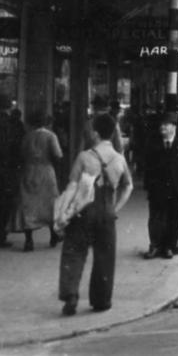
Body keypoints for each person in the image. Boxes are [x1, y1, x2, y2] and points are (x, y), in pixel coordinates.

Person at [57, 112, 132, 316]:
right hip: (107, 212)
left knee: (74, 251)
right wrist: (115, 208)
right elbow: (128, 186)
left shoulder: (84, 157)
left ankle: (71, 295)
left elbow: (72, 186)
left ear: (96, 133)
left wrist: (64, 212)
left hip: (84, 211)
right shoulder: (119, 159)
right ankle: (101, 301)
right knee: (105, 258)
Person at [9, 109, 62, 251]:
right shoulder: (51, 136)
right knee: (50, 203)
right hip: (46, 171)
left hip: (29, 171)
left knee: (28, 204)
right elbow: (58, 155)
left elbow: (21, 153)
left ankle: (29, 241)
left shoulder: (27, 137)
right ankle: (53, 235)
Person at [142, 111, 178, 259]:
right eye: (161, 125)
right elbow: (148, 168)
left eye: (166, 125)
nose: (162, 127)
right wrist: (148, 187)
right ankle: (154, 246)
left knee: (175, 218)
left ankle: (169, 246)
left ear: (173, 127)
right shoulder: (153, 144)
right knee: (156, 218)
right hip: (157, 189)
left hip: (176, 189)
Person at [0, 93, 23, 247]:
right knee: (5, 202)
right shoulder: (11, 123)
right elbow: (16, 146)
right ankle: (1, 235)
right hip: (7, 168)